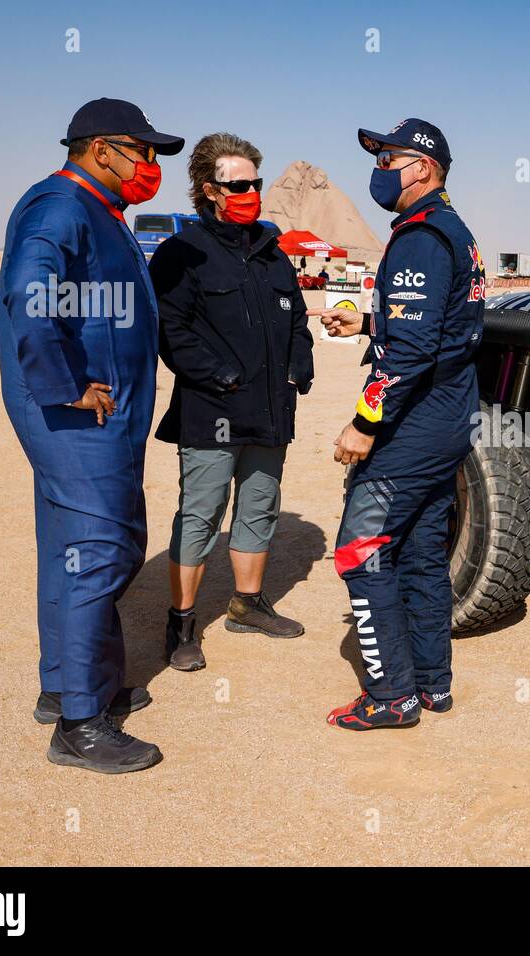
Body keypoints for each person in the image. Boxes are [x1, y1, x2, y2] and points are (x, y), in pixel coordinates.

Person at [0, 98, 183, 773]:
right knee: (103, 551)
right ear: (102, 148)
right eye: (144, 151)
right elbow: (28, 292)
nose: (151, 166)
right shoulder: (61, 207)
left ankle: (73, 687)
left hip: (99, 416)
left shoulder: (98, 211)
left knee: (70, 552)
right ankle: (80, 725)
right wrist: (65, 382)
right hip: (81, 417)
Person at [311, 118, 485, 730]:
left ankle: (392, 697)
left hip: (413, 425)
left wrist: (362, 424)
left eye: (389, 158)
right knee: (416, 552)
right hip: (449, 419)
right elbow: (441, 329)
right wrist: (365, 325)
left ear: (423, 168)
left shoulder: (419, 238)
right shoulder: (453, 233)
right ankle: (433, 685)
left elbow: (411, 355)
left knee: (360, 550)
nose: (380, 169)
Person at [149, 133, 315, 671]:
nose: (250, 192)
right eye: (237, 184)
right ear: (210, 190)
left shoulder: (271, 251)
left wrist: (300, 360)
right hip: (212, 411)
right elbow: (170, 331)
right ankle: (181, 623)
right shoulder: (183, 253)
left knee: (259, 507)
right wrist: (219, 376)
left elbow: (295, 319)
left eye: (255, 183)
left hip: (270, 412)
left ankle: (247, 605)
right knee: (200, 514)